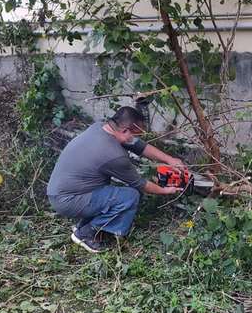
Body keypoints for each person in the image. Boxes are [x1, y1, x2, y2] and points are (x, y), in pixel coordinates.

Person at [47, 106, 185, 253]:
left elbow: (139, 146)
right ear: (125, 130)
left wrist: (169, 159)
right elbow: (140, 184)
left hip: (61, 191)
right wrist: (165, 190)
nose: (134, 139)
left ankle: (85, 224)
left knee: (108, 190)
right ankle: (87, 233)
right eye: (134, 134)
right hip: (68, 200)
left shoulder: (101, 127)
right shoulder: (114, 154)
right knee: (130, 196)